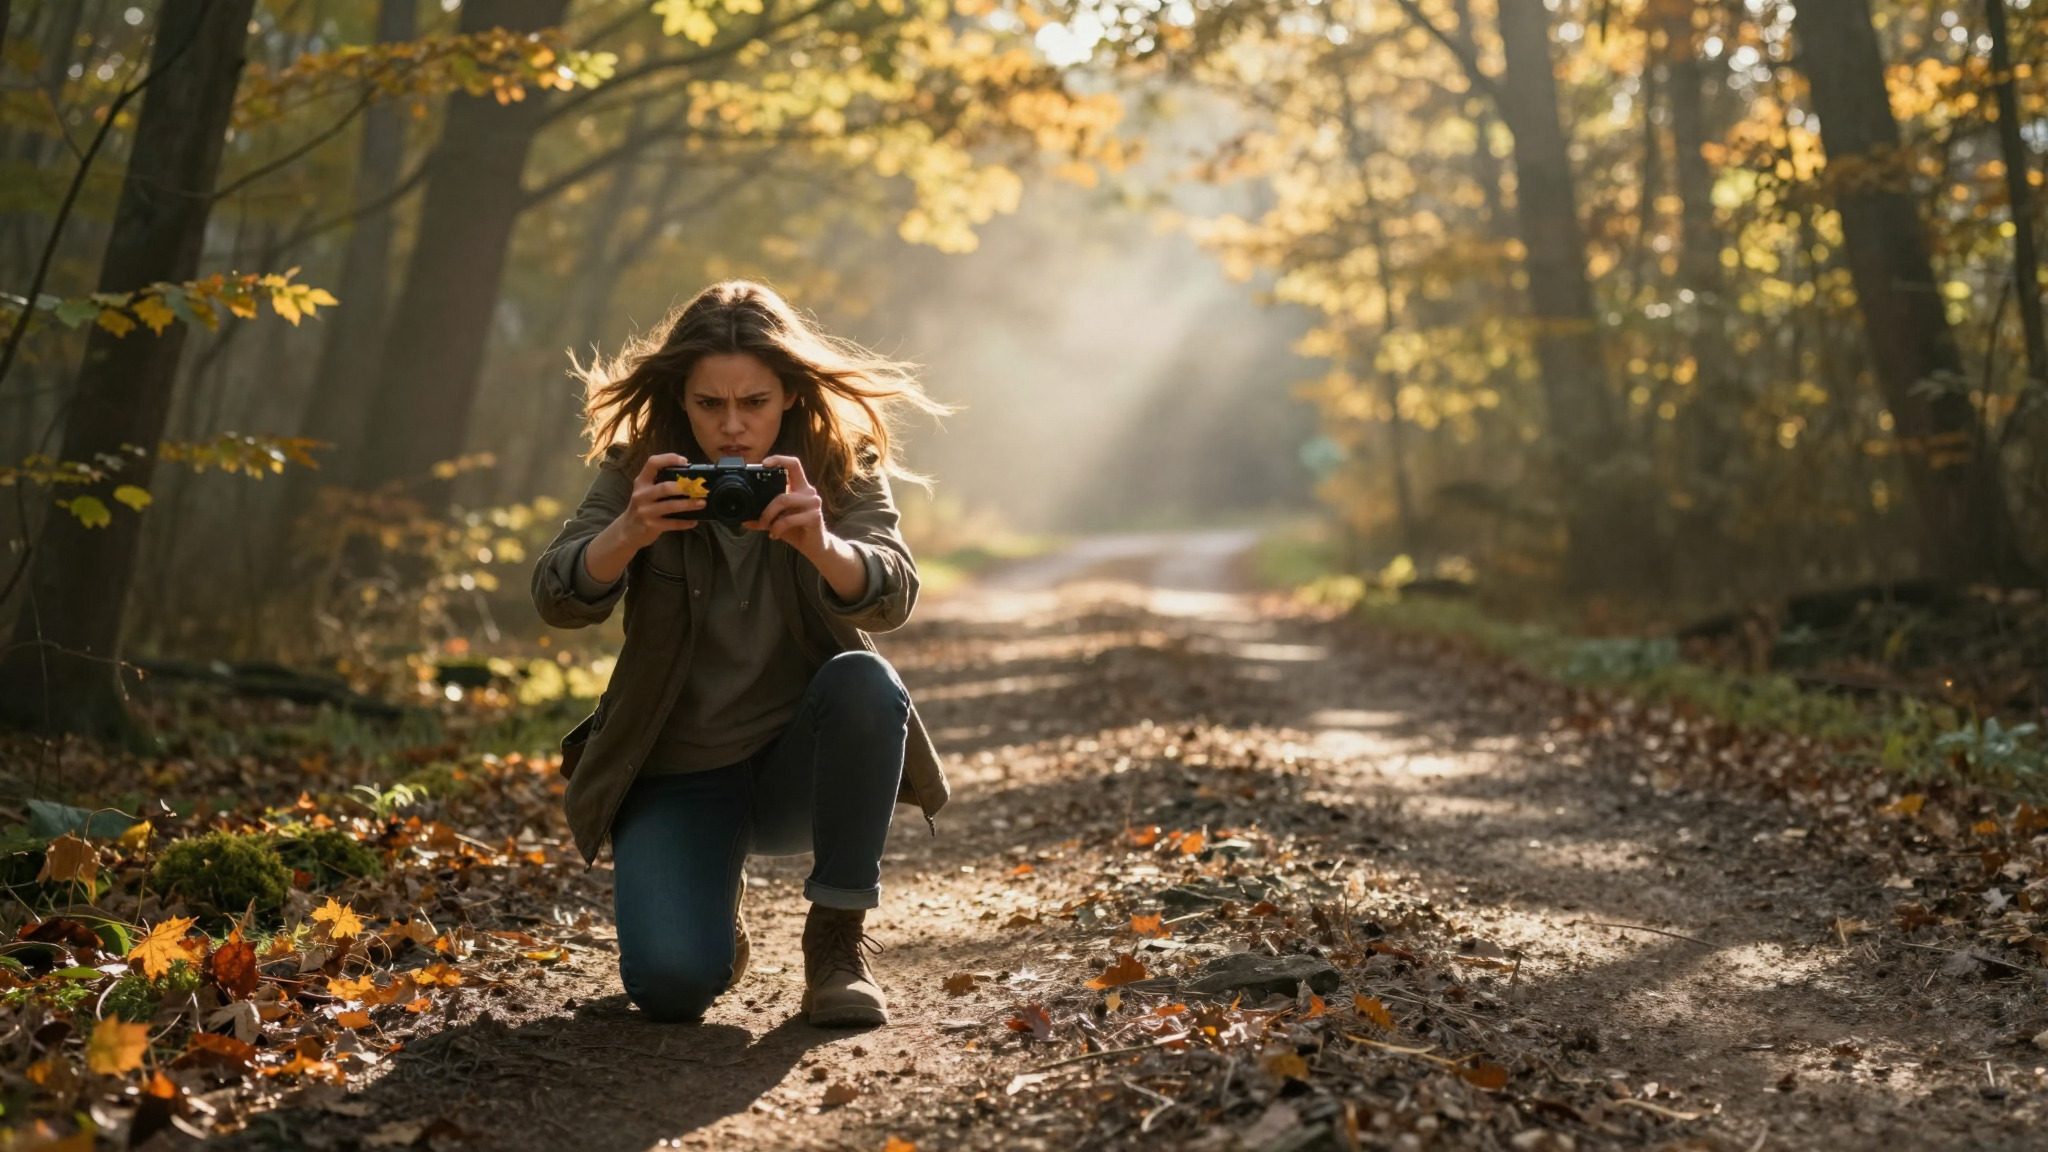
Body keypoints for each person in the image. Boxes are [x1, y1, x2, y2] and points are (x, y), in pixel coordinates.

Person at [529, 280, 954, 1027]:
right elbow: (555, 598)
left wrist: (822, 544)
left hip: (799, 766)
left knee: (865, 681)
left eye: (753, 403)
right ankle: (712, 917)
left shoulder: (834, 462)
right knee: (670, 987)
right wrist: (626, 533)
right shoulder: (642, 467)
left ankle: (836, 943)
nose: (731, 427)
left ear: (788, 393)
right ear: (681, 398)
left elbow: (893, 593)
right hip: (675, 768)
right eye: (709, 405)